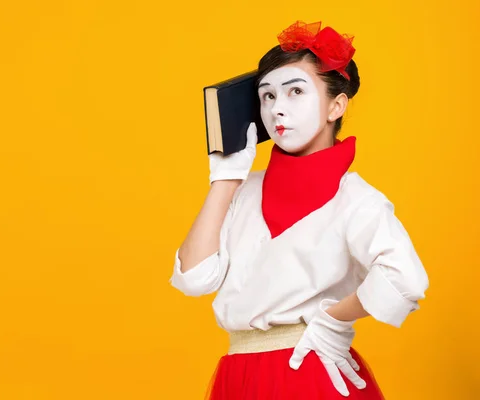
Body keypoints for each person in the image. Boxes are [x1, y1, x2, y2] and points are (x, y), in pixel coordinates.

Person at [169, 21, 430, 399]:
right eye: (268, 96)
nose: (278, 109)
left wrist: (333, 320)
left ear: (335, 106)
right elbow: (195, 278)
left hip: (309, 370)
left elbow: (405, 278)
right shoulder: (242, 191)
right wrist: (224, 179)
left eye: (295, 92)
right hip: (239, 375)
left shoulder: (355, 197)